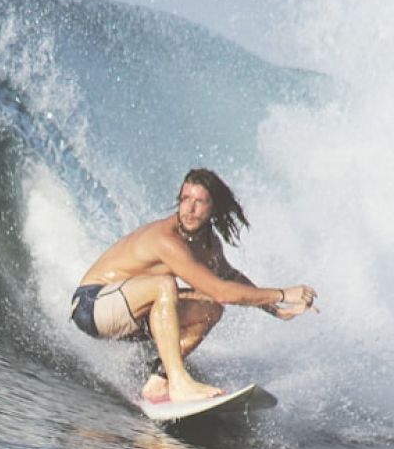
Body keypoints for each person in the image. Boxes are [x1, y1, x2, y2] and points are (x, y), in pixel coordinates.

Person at [70, 168, 317, 404]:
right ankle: (179, 383)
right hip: (92, 305)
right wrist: (285, 292)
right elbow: (221, 290)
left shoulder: (207, 243)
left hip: (131, 315)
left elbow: (229, 278)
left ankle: (159, 380)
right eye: (185, 198)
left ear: (213, 208)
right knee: (166, 285)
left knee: (211, 307)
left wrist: (277, 308)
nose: (189, 208)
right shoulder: (166, 240)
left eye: (200, 202)